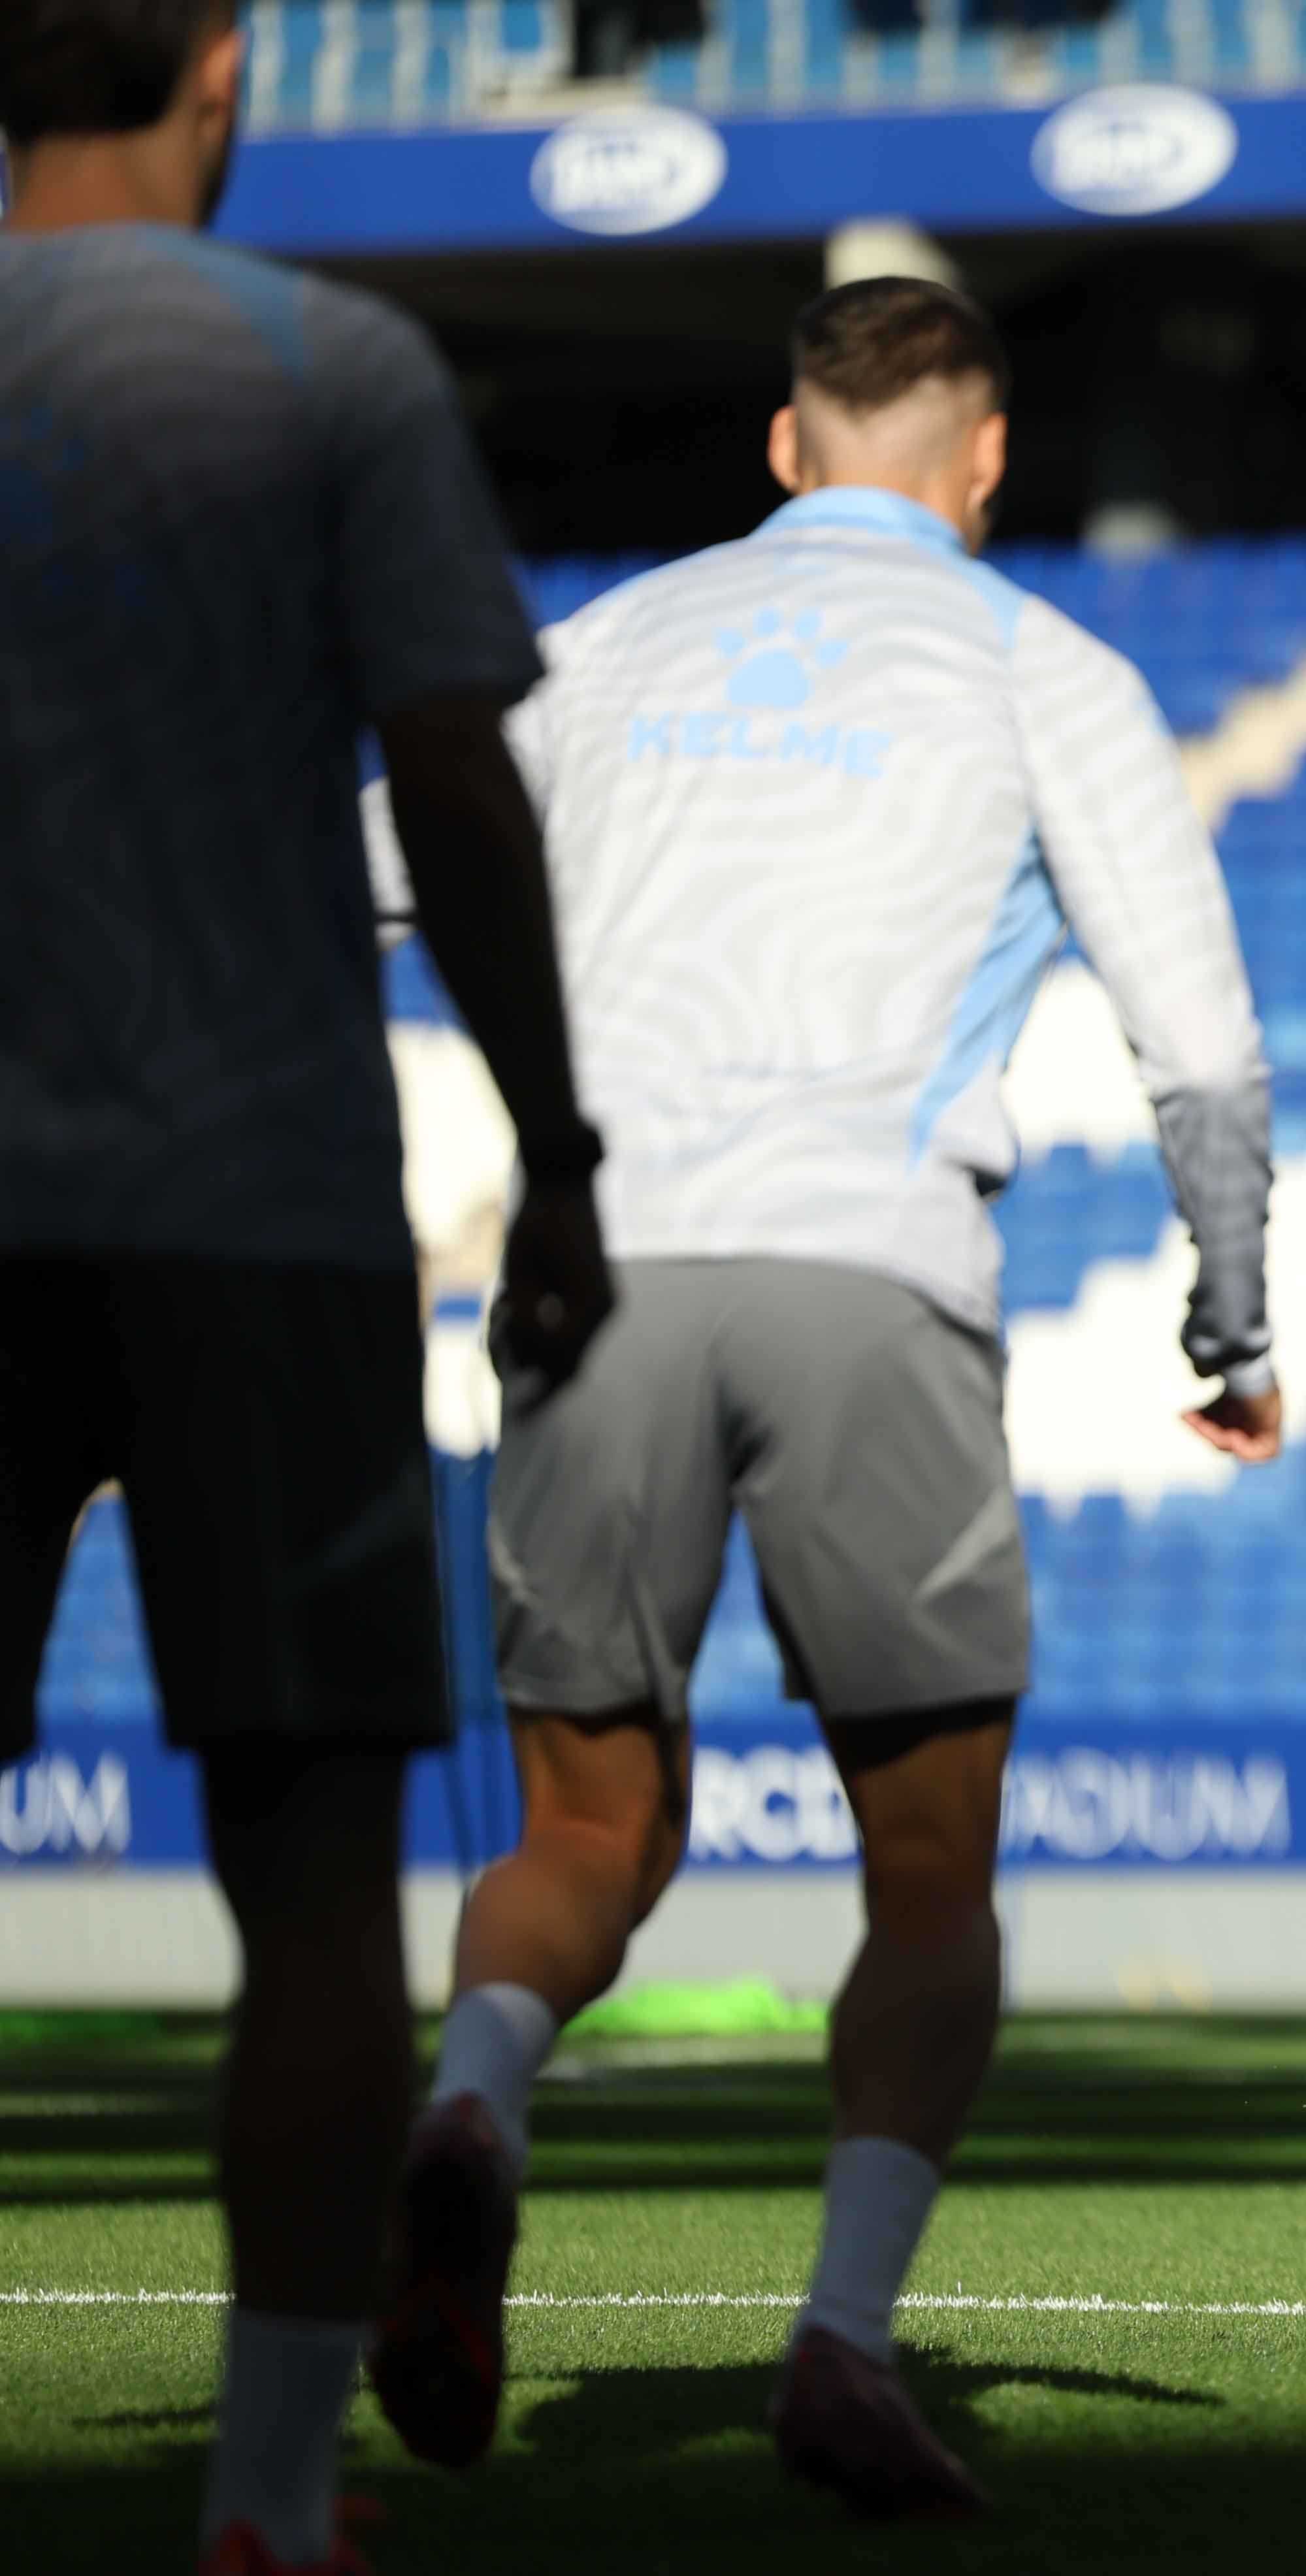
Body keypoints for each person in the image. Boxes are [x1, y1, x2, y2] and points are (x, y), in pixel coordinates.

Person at [355, 277, 1282, 2519]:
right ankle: (843, 2343)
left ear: (784, 449)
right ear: (987, 465)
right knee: (928, 1872)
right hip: (870, 1276)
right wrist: (1232, 1314)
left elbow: (369, 866)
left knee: (583, 1836)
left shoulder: (604, 649)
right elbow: (1198, 1050)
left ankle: (473, 2105)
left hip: (596, 1266)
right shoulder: (1045, 668)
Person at [0, 4, 616, 2569]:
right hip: (260, 1208)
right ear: (227, 73)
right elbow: (455, 778)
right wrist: (557, 1155)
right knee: (313, 1887)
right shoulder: (330, 365)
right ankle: (267, 2502)